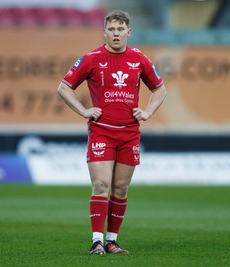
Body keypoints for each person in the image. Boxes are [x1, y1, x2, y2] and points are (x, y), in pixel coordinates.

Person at [57, 10, 167, 255]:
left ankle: (112, 241)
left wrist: (147, 112)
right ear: (104, 32)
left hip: (129, 133)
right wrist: (84, 110)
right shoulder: (91, 58)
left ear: (129, 32)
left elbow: (160, 90)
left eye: (120, 29)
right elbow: (64, 88)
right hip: (102, 132)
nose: (116, 34)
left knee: (120, 188)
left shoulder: (139, 59)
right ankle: (96, 241)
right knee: (100, 184)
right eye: (111, 29)